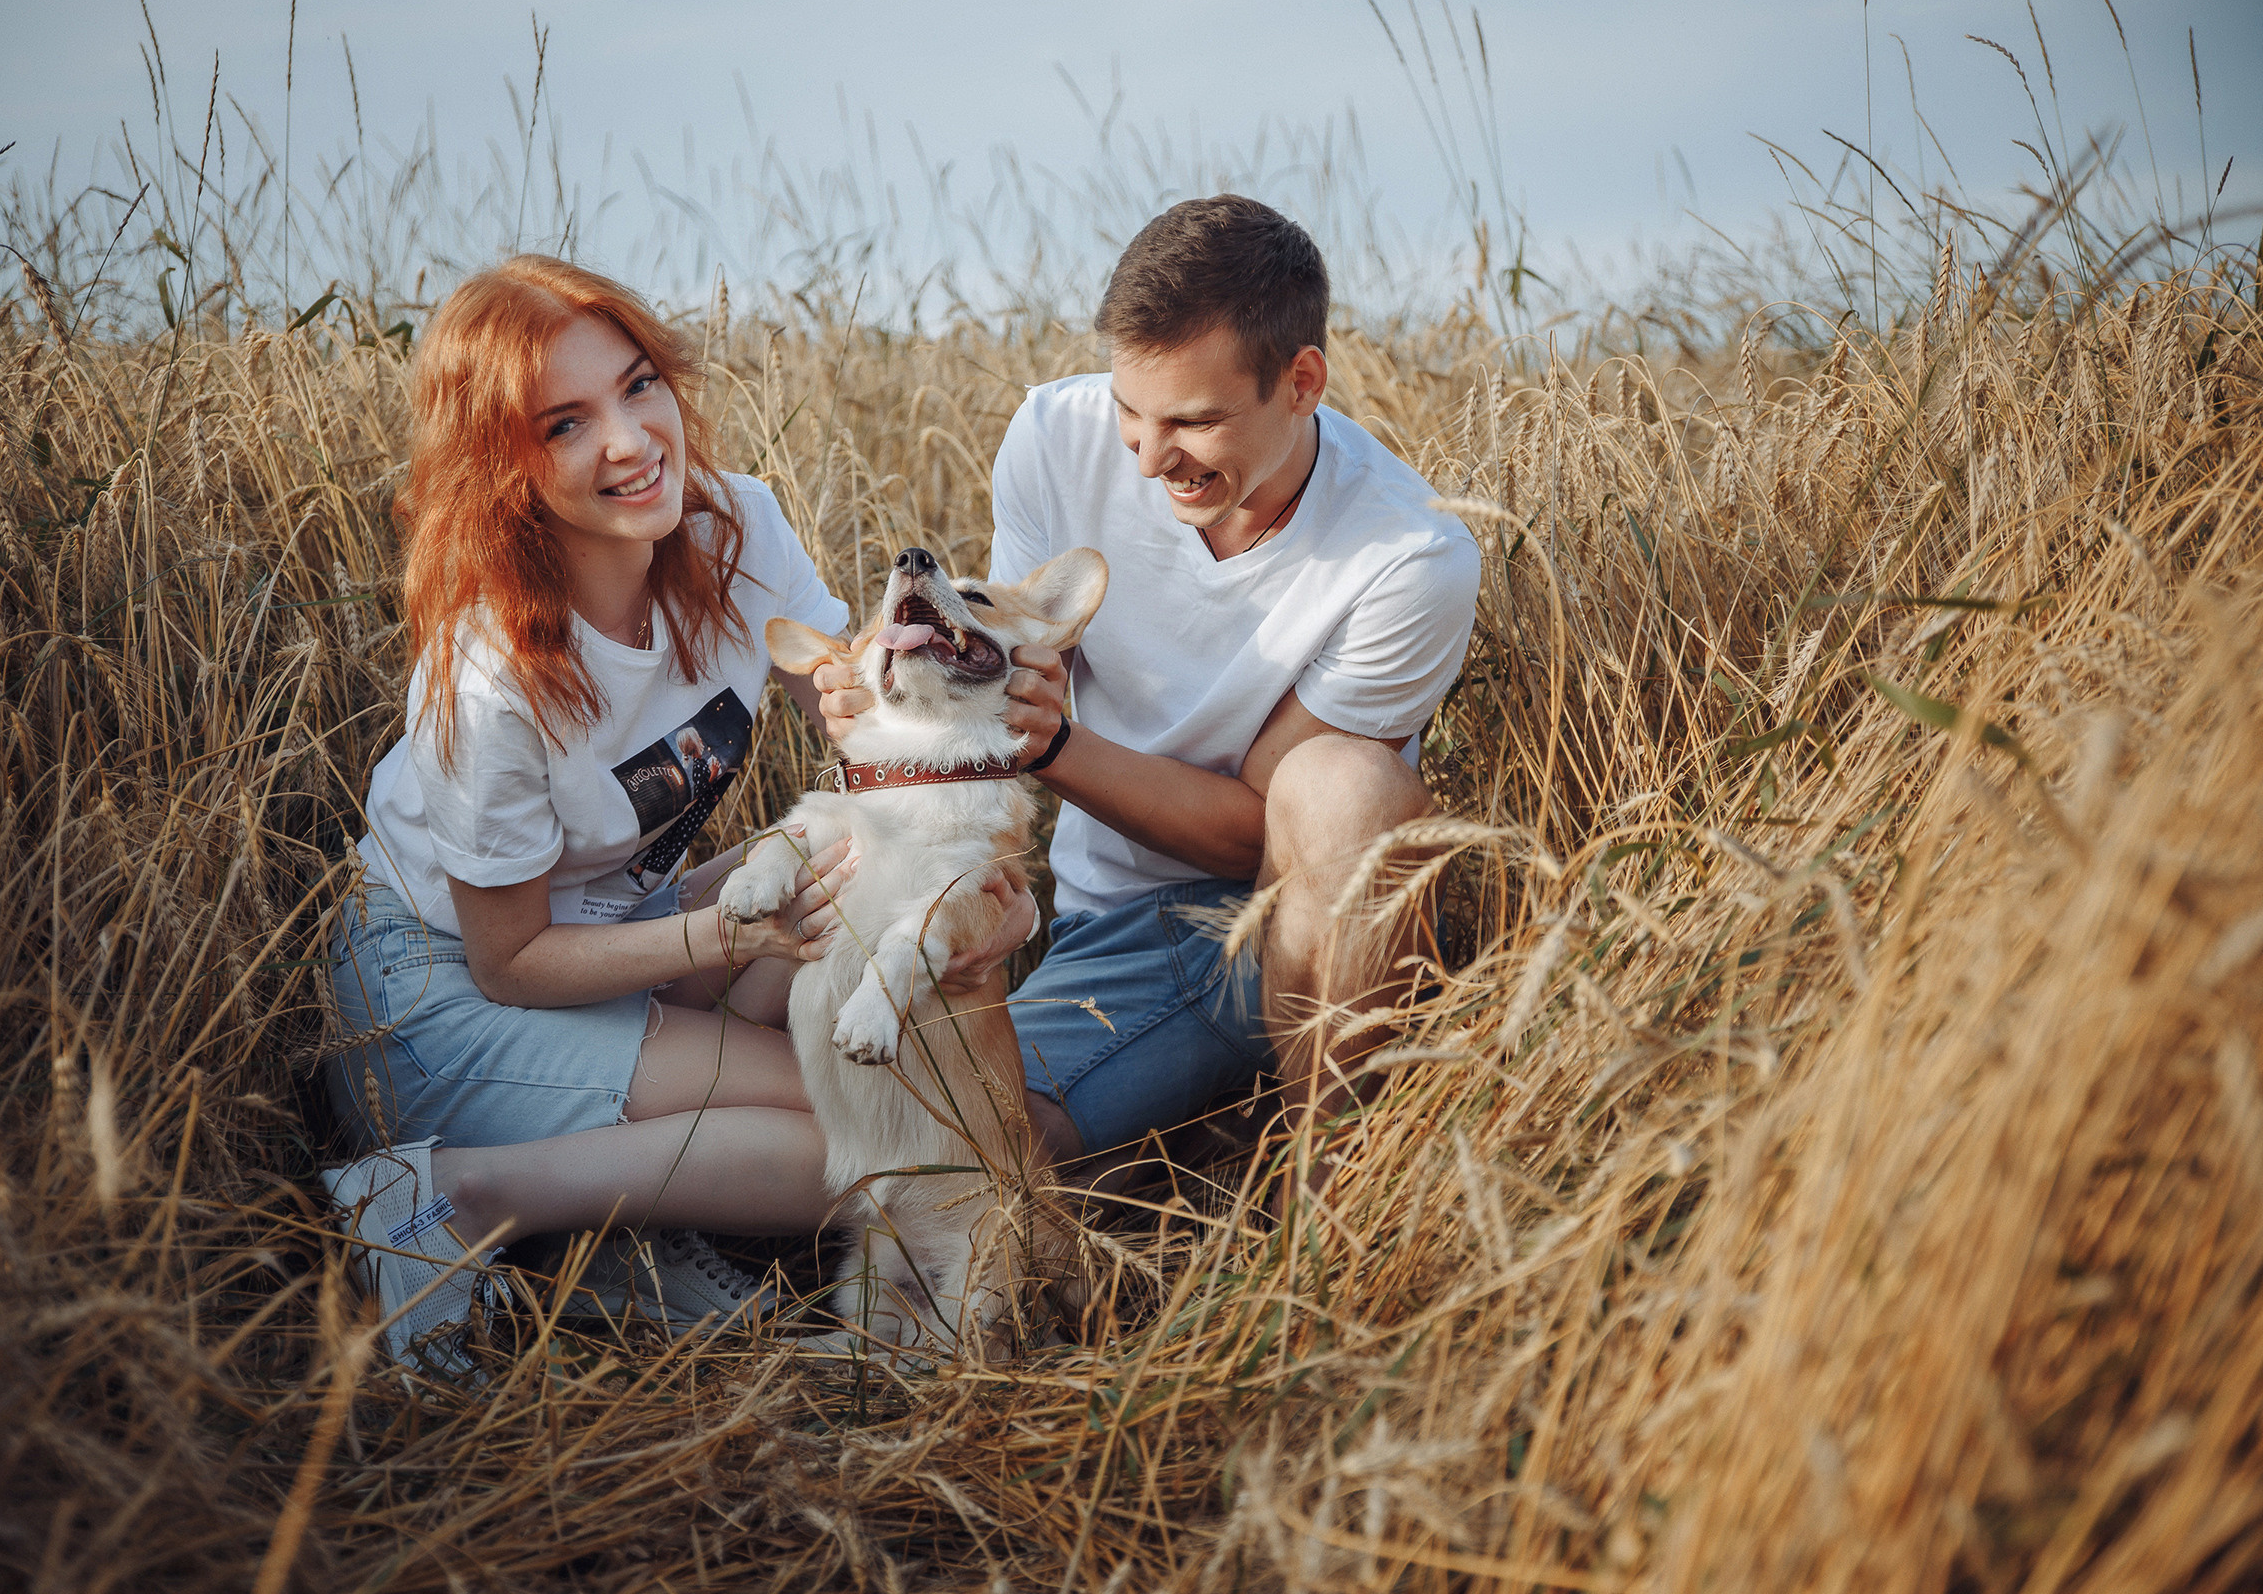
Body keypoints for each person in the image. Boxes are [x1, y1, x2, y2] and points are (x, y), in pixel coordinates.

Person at [320, 255, 1033, 1369]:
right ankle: (449, 1199)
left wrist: (982, 880)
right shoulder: (490, 667)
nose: (629, 440)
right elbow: (509, 957)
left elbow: (862, 730)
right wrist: (731, 932)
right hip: (441, 989)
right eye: (564, 423)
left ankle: (618, 1233)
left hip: (623, 927)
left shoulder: (732, 527)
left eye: (638, 385)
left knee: (858, 913)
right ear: (498, 469)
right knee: (878, 1130)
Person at [815, 194, 1480, 1175]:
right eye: (1130, 408)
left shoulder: (1408, 555)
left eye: (1196, 422)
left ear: (1302, 382)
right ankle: (1192, 1137)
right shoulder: (1054, 435)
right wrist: (892, 704)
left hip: (1313, 914)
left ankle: (1334, 1197)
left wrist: (1051, 747)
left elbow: (1270, 828)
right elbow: (1020, 661)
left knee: (1344, 784)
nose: (1148, 454)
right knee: (954, 1148)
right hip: (1117, 930)